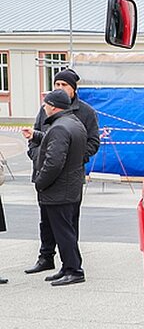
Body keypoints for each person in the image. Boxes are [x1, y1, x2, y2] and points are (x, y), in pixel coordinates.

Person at [20, 67, 100, 275]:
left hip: (66, 176)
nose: (60, 87)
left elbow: (91, 143)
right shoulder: (47, 110)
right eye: (56, 84)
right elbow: (40, 138)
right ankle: (46, 257)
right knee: (47, 221)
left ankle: (71, 265)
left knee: (66, 223)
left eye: (64, 84)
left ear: (73, 88)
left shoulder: (85, 113)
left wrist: (73, 159)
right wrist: (37, 157)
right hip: (46, 173)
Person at [31, 89, 87, 286]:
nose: (44, 107)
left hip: (59, 190)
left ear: (54, 107)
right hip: (70, 187)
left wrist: (40, 182)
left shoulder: (59, 128)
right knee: (66, 231)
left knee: (63, 233)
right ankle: (67, 266)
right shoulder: (74, 123)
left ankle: (74, 270)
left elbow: (54, 162)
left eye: (46, 104)